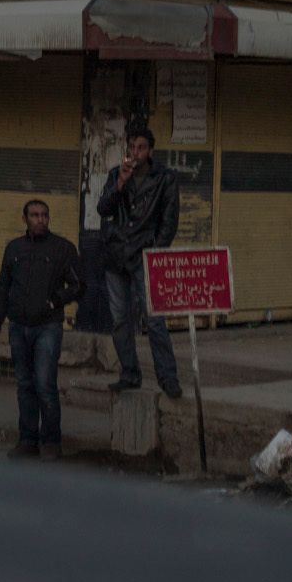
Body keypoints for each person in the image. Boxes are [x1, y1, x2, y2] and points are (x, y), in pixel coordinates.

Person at [0, 200, 84, 460]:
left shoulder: (62, 248)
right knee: (24, 384)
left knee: (44, 384)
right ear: (25, 219)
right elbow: (3, 287)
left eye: (44, 215)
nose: (40, 220)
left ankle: (51, 442)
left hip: (47, 327)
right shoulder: (13, 249)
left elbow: (78, 285)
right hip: (18, 326)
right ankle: (28, 440)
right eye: (34, 215)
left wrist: (55, 301)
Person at [97, 123, 181, 397]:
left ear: (151, 150)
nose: (136, 153)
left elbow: (169, 223)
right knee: (120, 320)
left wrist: (155, 252)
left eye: (141, 148)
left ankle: (168, 379)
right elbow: (103, 208)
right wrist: (119, 183)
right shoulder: (116, 175)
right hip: (116, 256)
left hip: (145, 256)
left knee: (155, 320)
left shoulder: (165, 179)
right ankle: (130, 374)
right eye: (132, 147)